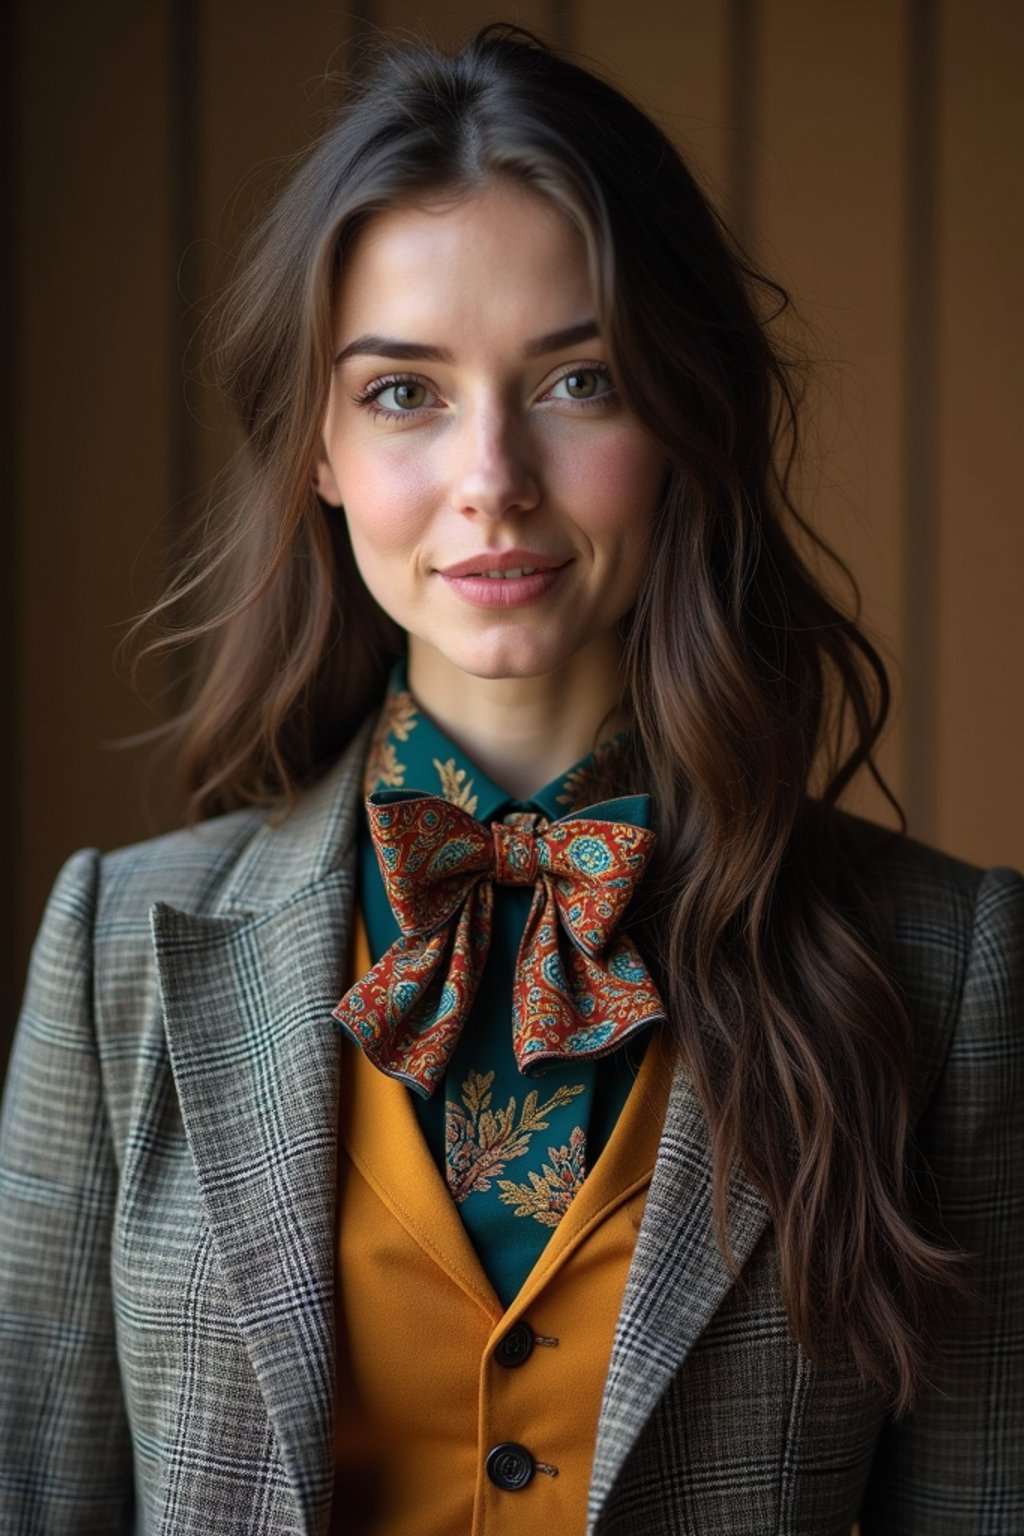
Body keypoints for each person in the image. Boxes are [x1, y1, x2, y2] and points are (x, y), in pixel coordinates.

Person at [0, 21, 1020, 1536]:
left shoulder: (950, 970)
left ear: (683, 419)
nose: (494, 477)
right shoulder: (112, 954)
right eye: (405, 392)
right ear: (320, 452)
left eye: (579, 380)